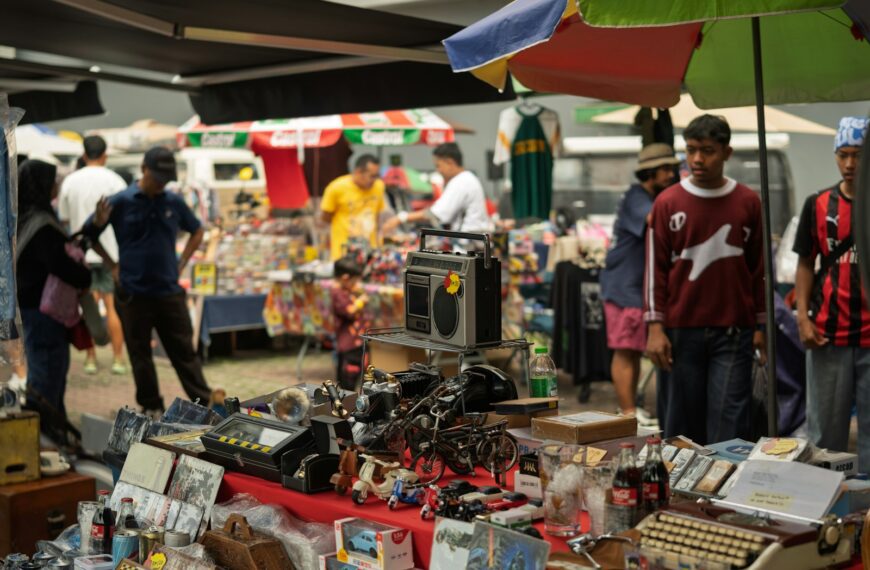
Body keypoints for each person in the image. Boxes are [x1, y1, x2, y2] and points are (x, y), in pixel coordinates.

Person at [644, 115, 766, 445]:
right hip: (679, 334)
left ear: (727, 152)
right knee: (682, 426)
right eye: (692, 150)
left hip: (734, 333)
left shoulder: (748, 202)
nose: (697, 159)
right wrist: (655, 328)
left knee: (731, 422)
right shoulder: (668, 203)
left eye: (708, 150)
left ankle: (722, 494)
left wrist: (762, 326)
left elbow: (758, 270)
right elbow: (654, 271)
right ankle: (680, 495)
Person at [84, 146, 212, 416]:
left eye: (165, 179)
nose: (161, 184)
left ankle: (205, 402)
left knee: (184, 352)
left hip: (169, 291)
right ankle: (151, 404)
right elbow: (88, 235)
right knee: (139, 354)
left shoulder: (173, 201)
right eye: (157, 178)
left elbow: (197, 230)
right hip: (133, 292)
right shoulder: (119, 201)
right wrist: (112, 264)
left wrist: (181, 263)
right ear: (143, 169)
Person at [793, 116, 870, 471]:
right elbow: (806, 263)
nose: (851, 163)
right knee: (825, 434)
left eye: (858, 154)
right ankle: (826, 508)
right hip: (827, 335)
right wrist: (803, 318)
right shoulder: (818, 203)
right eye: (843, 154)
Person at [600, 143, 680, 425]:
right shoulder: (638, 196)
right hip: (625, 286)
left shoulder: (651, 196)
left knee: (633, 350)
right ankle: (628, 413)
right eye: (666, 169)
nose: (672, 173)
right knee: (626, 350)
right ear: (649, 172)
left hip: (635, 286)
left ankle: (632, 410)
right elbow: (653, 220)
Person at [15, 160, 91, 433]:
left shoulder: (22, 218)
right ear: (41, 185)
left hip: (33, 311)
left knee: (46, 377)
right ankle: (45, 437)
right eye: (52, 180)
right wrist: (85, 276)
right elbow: (60, 265)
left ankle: (53, 433)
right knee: (47, 379)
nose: (57, 184)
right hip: (45, 314)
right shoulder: (42, 225)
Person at [58, 135, 127, 375]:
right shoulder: (116, 181)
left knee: (89, 306)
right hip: (110, 255)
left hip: (82, 255)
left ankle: (90, 359)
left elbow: (65, 221)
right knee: (111, 307)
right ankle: (118, 359)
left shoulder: (69, 182)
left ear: (84, 155)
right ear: (105, 154)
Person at [382, 143, 493, 234]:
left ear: (450, 163)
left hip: (469, 245)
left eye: (438, 165)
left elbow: (435, 214)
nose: (438, 170)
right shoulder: (467, 178)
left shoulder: (461, 182)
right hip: (473, 242)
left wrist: (401, 218)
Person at [321, 154, 386, 261]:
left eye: (377, 175)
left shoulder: (379, 186)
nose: (374, 180)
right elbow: (325, 217)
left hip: (370, 251)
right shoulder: (336, 188)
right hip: (343, 252)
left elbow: (377, 217)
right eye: (372, 176)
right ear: (358, 172)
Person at [331, 256, 369, 390]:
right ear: (345, 278)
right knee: (348, 380)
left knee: (359, 373)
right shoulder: (337, 293)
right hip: (349, 344)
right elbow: (349, 311)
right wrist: (361, 301)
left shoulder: (345, 290)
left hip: (357, 340)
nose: (356, 284)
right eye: (355, 281)